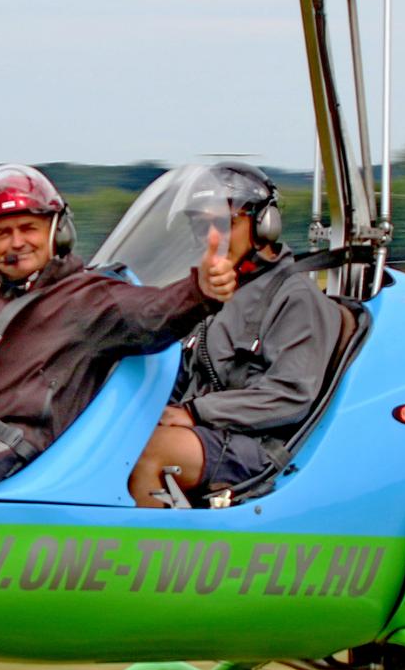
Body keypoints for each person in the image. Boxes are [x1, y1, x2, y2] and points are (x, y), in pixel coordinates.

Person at [0, 164, 236, 497]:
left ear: (57, 232)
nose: (16, 242)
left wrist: (199, 292)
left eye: (29, 228)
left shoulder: (89, 298)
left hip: (15, 455)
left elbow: (152, 314)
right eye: (3, 233)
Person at [128, 162, 342, 507]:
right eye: (201, 227)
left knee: (143, 454)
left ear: (264, 225)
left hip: (258, 447)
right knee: (115, 442)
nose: (211, 237)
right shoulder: (214, 291)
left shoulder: (295, 298)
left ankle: (146, 541)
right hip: (205, 433)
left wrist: (196, 412)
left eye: (224, 222)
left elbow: (290, 396)